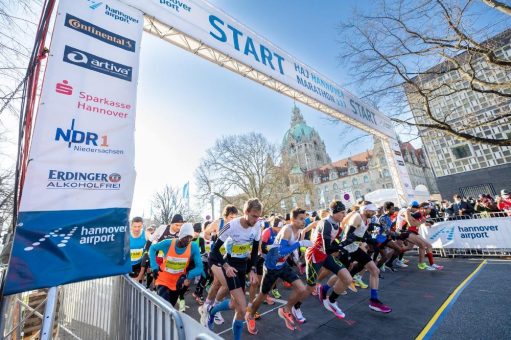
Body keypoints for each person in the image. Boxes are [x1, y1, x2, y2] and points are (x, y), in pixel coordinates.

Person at [245, 208, 312, 334]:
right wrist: (300, 244)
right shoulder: (287, 230)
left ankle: (285, 309)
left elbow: (289, 251)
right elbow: (281, 251)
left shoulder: (299, 231)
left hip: (282, 265)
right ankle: (249, 316)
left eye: (305, 218)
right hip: (272, 267)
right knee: (262, 295)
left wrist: (297, 260)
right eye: (301, 219)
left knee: (302, 289)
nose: (304, 221)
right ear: (293, 219)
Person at [205, 198, 263, 340]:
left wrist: (253, 269)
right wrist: (226, 266)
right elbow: (214, 250)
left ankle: (211, 311)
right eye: (254, 216)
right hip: (230, 265)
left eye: (258, 216)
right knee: (243, 308)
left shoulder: (257, 227)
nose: (256, 220)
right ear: (246, 212)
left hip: (243, 266)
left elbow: (255, 251)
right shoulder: (232, 226)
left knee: (234, 305)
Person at [338, 202, 392, 313]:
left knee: (374, 270)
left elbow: (363, 235)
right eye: (372, 211)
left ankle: (374, 301)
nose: (374, 213)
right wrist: (365, 240)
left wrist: (374, 239)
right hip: (346, 250)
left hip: (355, 248)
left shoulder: (367, 220)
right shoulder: (357, 218)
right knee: (342, 276)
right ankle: (324, 290)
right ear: (365, 210)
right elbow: (348, 237)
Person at [305, 200, 352, 320]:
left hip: (325, 255)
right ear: (335, 212)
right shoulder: (326, 223)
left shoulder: (337, 224)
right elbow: (328, 248)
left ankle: (331, 301)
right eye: (342, 212)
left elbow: (336, 242)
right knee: (309, 287)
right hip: (314, 255)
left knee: (347, 279)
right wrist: (343, 246)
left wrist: (345, 243)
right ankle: (293, 307)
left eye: (344, 212)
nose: (344, 215)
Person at [200, 205, 238, 326]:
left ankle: (206, 306)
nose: (233, 219)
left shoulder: (235, 225)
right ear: (225, 216)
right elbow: (205, 233)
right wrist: (212, 238)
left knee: (216, 284)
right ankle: (214, 308)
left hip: (224, 258)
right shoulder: (219, 222)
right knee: (225, 285)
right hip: (214, 257)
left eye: (235, 217)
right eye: (231, 217)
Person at [149, 223, 203, 307]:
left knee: (171, 307)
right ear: (181, 236)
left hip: (178, 282)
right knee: (165, 307)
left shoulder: (193, 246)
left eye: (190, 238)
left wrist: (188, 276)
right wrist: (154, 267)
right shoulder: (168, 243)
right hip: (164, 280)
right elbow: (152, 248)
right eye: (186, 237)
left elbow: (200, 267)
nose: (188, 240)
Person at [129, 217, 146, 281]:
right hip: (127, 265)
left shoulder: (145, 234)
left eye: (139, 226)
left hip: (139, 265)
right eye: (135, 226)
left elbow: (154, 243)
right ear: (131, 226)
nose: (137, 229)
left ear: (142, 226)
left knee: (136, 287)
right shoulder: (126, 234)